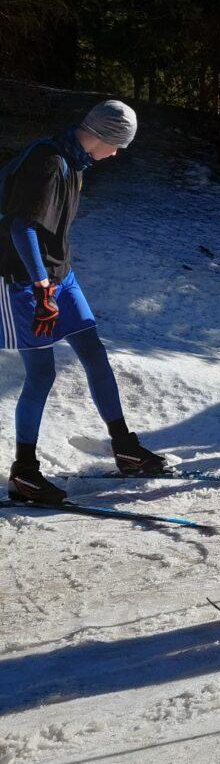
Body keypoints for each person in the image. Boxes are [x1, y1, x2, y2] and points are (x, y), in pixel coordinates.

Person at [1, 100, 169, 504]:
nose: (117, 153)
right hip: (24, 282)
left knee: (94, 353)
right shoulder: (48, 162)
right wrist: (42, 287)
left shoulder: (73, 163)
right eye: (118, 145)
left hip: (60, 278)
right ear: (104, 136)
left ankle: (125, 447)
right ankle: (24, 472)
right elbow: (22, 228)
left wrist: (54, 281)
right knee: (41, 374)